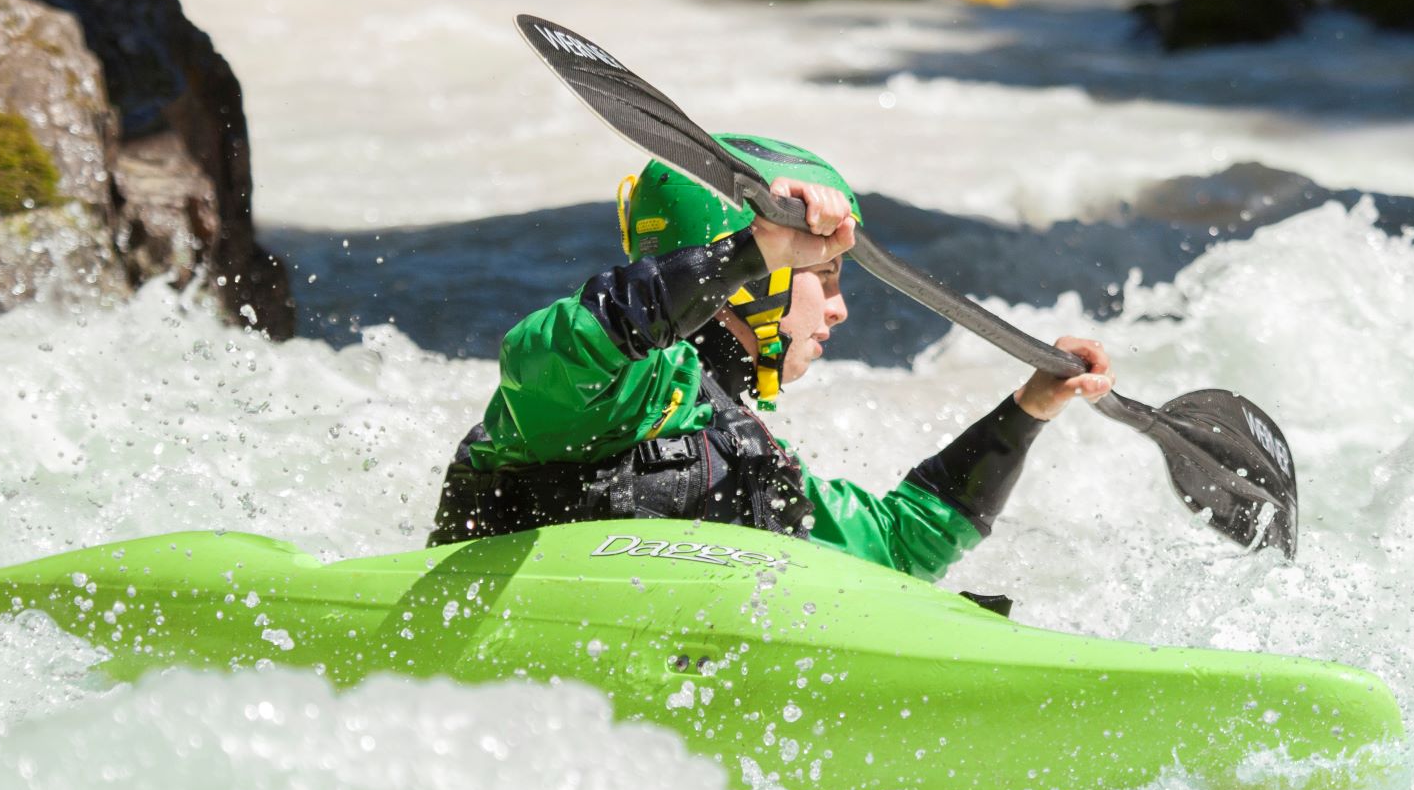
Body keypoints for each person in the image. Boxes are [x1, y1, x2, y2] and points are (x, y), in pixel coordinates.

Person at [429, 137, 1112, 581]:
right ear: (755, 283)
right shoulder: (620, 390)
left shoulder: (744, 450)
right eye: (826, 276)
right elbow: (546, 351)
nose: (839, 310)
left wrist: (1027, 412)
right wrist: (751, 251)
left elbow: (899, 549)